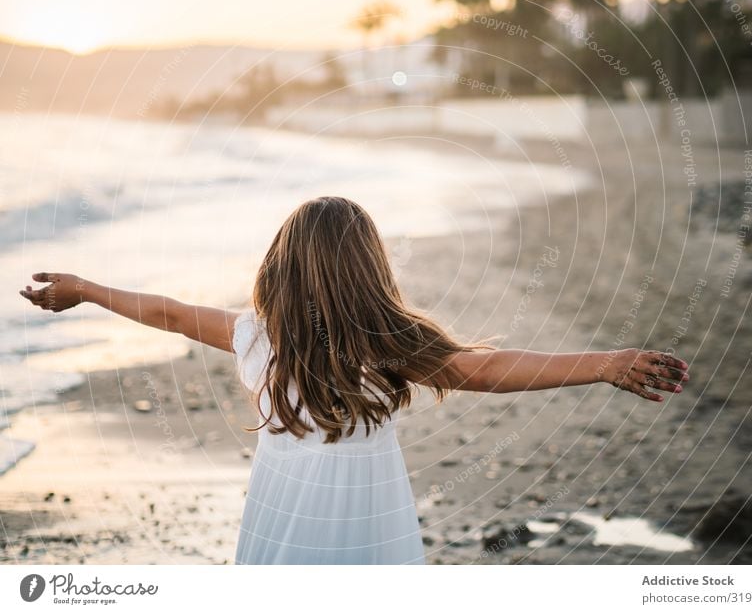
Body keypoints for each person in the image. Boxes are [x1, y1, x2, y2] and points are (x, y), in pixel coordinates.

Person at [19, 196, 689, 564]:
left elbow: (164, 311)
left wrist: (84, 288)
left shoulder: (253, 335)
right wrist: (602, 363)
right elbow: (482, 369)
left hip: (282, 544)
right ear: (368, 268)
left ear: (279, 266)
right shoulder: (389, 344)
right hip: (372, 543)